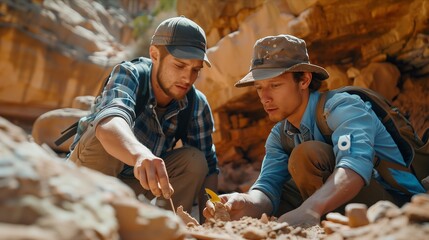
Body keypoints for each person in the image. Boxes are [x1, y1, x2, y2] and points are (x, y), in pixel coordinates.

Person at [203, 34, 426, 226]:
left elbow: (355, 167)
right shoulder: (280, 135)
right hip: (341, 201)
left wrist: (309, 210)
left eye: (275, 85)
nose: (265, 97)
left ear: (304, 80)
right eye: (259, 88)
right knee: (278, 195)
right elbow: (267, 187)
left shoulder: (343, 107)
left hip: (397, 204)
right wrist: (244, 202)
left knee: (305, 156)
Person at [68, 16, 218, 218]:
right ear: (155, 55)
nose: (188, 78)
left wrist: (214, 216)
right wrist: (140, 155)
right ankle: (85, 219)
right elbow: (110, 122)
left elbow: (209, 167)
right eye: (180, 66)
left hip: (138, 184)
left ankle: (171, 229)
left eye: (195, 70)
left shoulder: (196, 103)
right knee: (101, 135)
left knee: (195, 161)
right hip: (87, 176)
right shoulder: (130, 74)